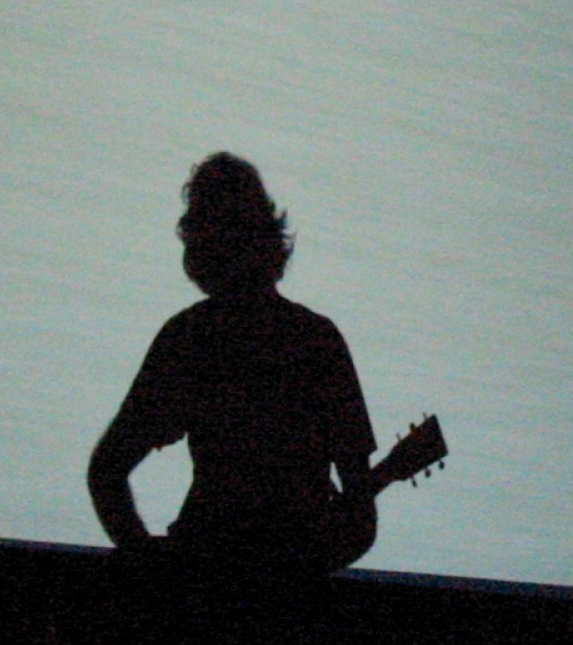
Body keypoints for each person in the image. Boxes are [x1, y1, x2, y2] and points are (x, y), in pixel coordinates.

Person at [88, 153, 379, 590]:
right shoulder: (318, 340)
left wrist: (149, 565)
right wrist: (296, 569)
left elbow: (106, 471)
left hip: (195, 582)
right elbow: (360, 523)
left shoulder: (188, 338)